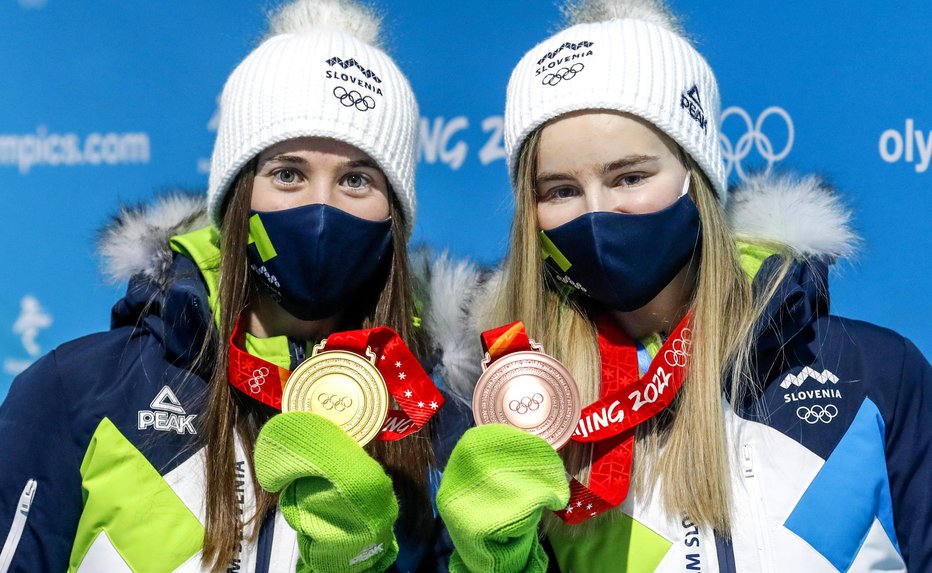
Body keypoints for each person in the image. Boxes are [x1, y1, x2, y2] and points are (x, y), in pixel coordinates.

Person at [434, 0, 932, 571]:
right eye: (561, 191)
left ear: (697, 178)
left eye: (630, 176)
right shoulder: (517, 411)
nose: (599, 213)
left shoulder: (876, 373)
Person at [0, 0, 454, 571]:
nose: (321, 209)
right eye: (287, 173)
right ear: (238, 196)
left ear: (395, 213)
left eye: (356, 179)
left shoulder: (436, 421)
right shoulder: (77, 391)